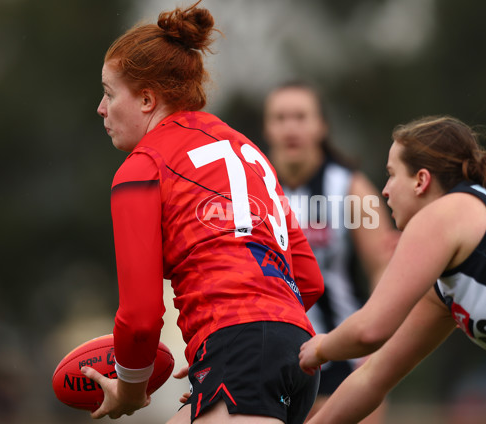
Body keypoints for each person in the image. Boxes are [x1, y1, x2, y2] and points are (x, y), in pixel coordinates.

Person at [81, 3, 325, 423]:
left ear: (145, 98)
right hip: (297, 353)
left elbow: (140, 319)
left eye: (108, 93)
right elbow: (307, 279)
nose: (101, 109)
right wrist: (217, 346)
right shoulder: (247, 151)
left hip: (242, 351)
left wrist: (130, 389)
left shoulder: (144, 166)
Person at [299, 115, 486, 424]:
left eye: (392, 175)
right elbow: (372, 378)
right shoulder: (449, 276)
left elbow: (369, 330)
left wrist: (322, 348)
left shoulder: (443, 214)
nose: (384, 191)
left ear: (421, 180)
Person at [262, 81, 399, 421]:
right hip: (269, 356)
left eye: (300, 117)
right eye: (280, 118)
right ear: (267, 127)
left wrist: (376, 345)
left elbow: (385, 268)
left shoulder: (349, 188)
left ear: (321, 125)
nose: (290, 127)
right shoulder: (251, 187)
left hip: (344, 356)